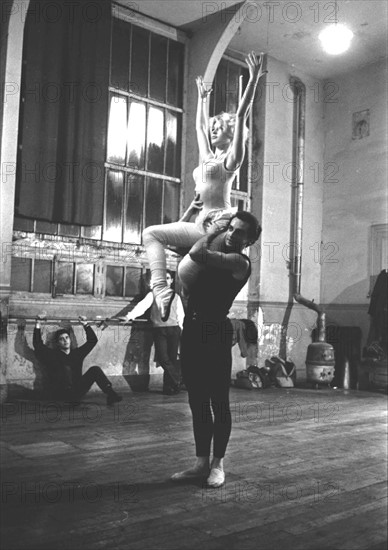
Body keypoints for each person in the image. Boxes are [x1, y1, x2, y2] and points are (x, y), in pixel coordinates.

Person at [142, 52, 267, 321]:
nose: (213, 130)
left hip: (218, 224)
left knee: (190, 269)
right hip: (201, 223)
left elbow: (242, 113)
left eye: (219, 127)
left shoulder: (231, 161)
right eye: (214, 126)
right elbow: (199, 128)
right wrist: (201, 99)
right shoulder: (208, 158)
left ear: (231, 134)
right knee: (151, 233)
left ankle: (203, 314)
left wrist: (253, 79)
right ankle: (161, 291)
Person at [171, 211, 262, 488]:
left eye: (240, 232)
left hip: (216, 332)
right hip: (193, 330)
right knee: (196, 400)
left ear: (250, 240)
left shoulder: (239, 262)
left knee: (218, 402)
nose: (234, 234)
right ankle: (200, 463)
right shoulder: (221, 254)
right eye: (231, 229)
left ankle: (217, 465)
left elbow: (198, 254)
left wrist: (212, 231)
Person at [119, 271, 185, 395]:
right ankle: (178, 379)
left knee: (171, 358)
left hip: (174, 329)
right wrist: (128, 316)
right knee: (163, 358)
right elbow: (141, 306)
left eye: (168, 278)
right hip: (159, 330)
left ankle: (169, 387)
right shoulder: (152, 295)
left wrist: (184, 331)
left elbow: (181, 316)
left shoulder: (176, 296)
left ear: (171, 281)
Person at [33, 315, 122, 406]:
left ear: (70, 340)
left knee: (95, 369)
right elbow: (38, 345)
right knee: (65, 368)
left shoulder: (77, 354)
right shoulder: (53, 355)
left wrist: (85, 324)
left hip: (76, 392)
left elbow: (92, 340)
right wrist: (38, 324)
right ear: (57, 343)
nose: (65, 340)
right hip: (60, 394)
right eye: (61, 339)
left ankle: (111, 394)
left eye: (67, 337)